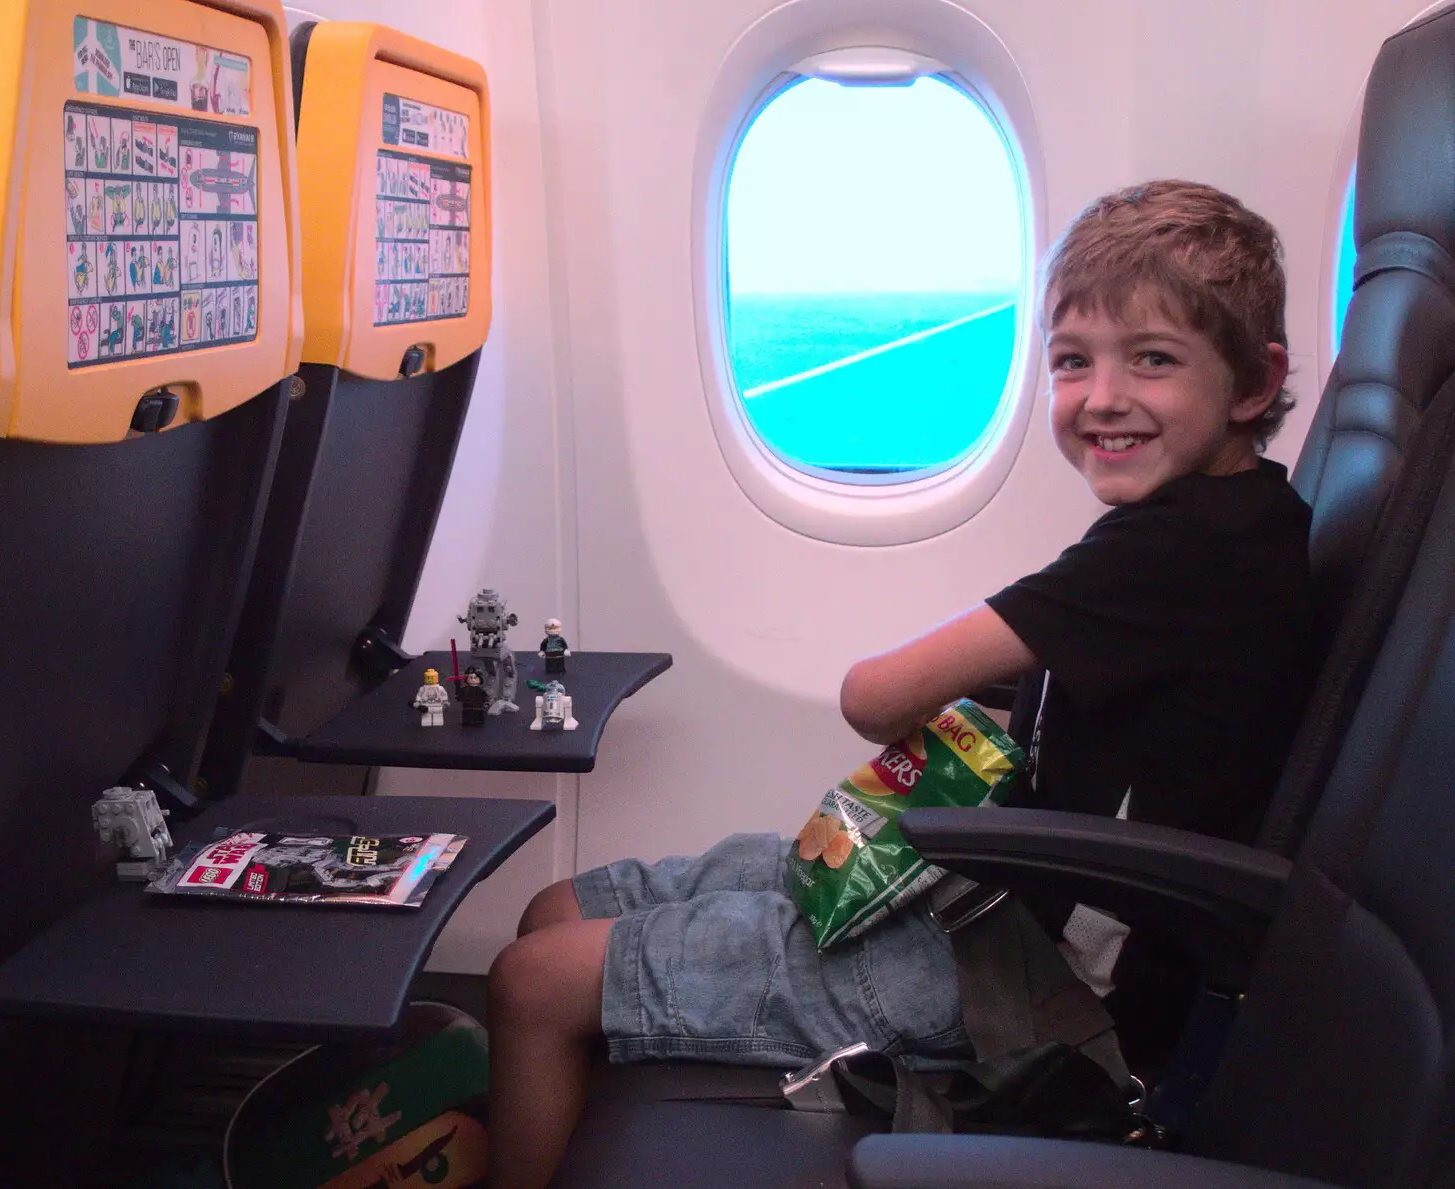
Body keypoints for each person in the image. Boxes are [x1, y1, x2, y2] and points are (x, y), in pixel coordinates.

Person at [485, 181, 1315, 1189]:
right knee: (556, 906)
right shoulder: (1238, 522)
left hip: (1039, 991)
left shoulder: (1173, 551)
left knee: (533, 981)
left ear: (1251, 383)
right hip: (1003, 906)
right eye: (1071, 360)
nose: (1101, 396)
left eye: (1153, 358)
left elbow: (875, 696)